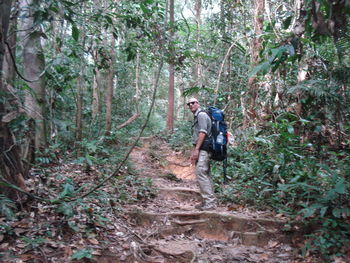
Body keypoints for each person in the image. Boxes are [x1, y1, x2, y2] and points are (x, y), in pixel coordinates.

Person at [187, 97, 217, 210]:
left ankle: (210, 203)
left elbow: (203, 132)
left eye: (193, 103)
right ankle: (207, 201)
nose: (191, 105)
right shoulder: (198, 116)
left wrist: (197, 150)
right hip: (203, 148)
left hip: (204, 148)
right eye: (189, 104)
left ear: (198, 103)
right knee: (205, 174)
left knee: (201, 173)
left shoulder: (201, 115)